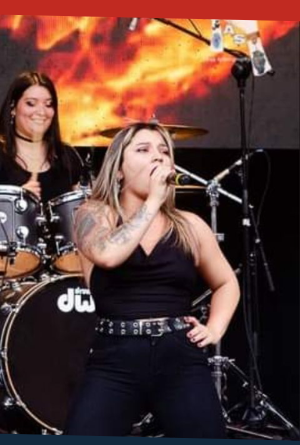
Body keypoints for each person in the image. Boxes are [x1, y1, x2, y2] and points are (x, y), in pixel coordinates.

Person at [64, 122, 240, 437]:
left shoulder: (190, 226)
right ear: (118, 170)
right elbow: (107, 254)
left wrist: (214, 328)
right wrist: (152, 204)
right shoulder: (93, 214)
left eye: (164, 151)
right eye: (143, 150)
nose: (157, 157)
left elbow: (227, 283)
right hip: (115, 356)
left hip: (179, 356)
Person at [0, 70, 84, 203]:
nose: (42, 112)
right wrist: (15, 201)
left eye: (48, 104)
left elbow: (86, 207)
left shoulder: (67, 155)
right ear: (13, 108)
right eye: (31, 103)